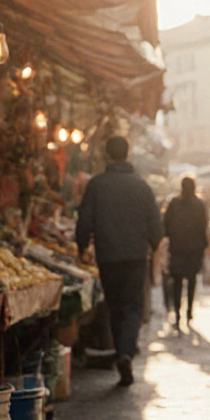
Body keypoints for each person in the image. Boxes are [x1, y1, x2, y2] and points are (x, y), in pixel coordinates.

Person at [76, 136, 162, 386]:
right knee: (133, 306)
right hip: (136, 256)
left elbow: (84, 220)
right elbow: (156, 224)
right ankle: (125, 352)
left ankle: (122, 351)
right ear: (128, 154)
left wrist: (82, 246)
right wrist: (153, 245)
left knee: (114, 305)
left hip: (108, 256)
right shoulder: (142, 186)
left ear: (108, 155)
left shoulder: (97, 185)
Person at [162, 175, 210, 332]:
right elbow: (204, 226)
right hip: (194, 250)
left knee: (176, 283)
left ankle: (177, 314)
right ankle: (189, 313)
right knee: (191, 281)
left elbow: (166, 225)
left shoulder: (175, 203)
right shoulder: (199, 204)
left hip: (177, 249)